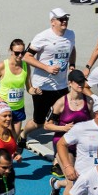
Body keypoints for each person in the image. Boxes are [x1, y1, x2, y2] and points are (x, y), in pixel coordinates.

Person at [23, 8, 76, 143]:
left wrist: (72, 65)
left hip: (62, 86)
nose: (64, 21)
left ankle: (60, 148)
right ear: (53, 22)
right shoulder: (42, 37)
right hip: (43, 87)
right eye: (61, 19)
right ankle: (23, 135)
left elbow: (72, 48)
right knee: (39, 122)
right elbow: (27, 57)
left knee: (64, 118)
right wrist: (46, 67)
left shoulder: (70, 35)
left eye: (66, 18)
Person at [0, 38, 32, 139]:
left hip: (18, 108)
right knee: (5, 137)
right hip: (4, 108)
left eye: (22, 52)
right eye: (17, 53)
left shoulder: (25, 66)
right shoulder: (3, 66)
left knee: (15, 138)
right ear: (11, 51)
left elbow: (29, 88)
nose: (20, 55)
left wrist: (35, 91)